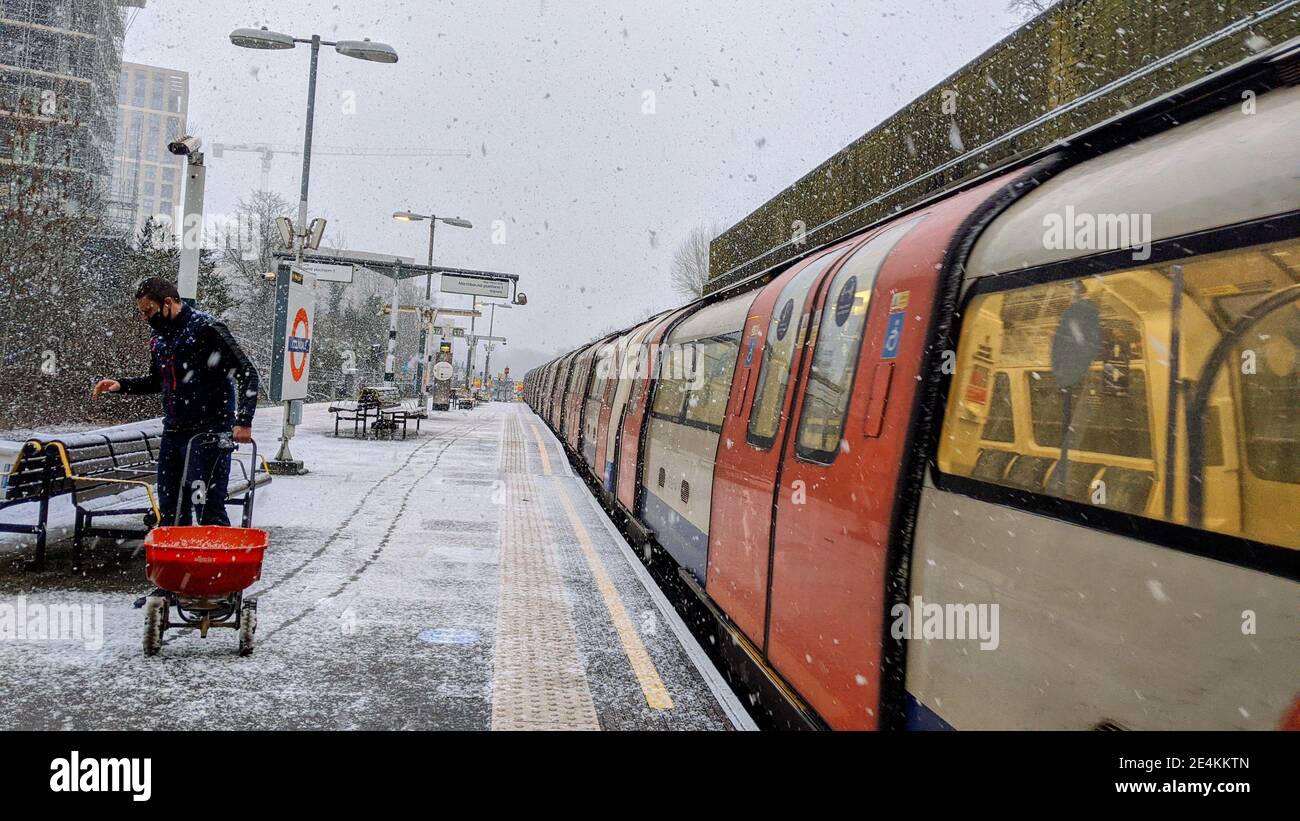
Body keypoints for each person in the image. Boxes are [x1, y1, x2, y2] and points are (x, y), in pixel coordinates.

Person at [92, 277, 259, 527]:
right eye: (142, 313)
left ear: (168, 303)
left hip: (209, 433)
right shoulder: (160, 338)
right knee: (170, 510)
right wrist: (123, 385)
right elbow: (159, 380)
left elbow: (247, 373)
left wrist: (243, 421)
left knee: (207, 508)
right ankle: (177, 563)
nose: (146, 318)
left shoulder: (207, 328)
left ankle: (214, 563)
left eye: (149, 311)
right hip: (174, 432)